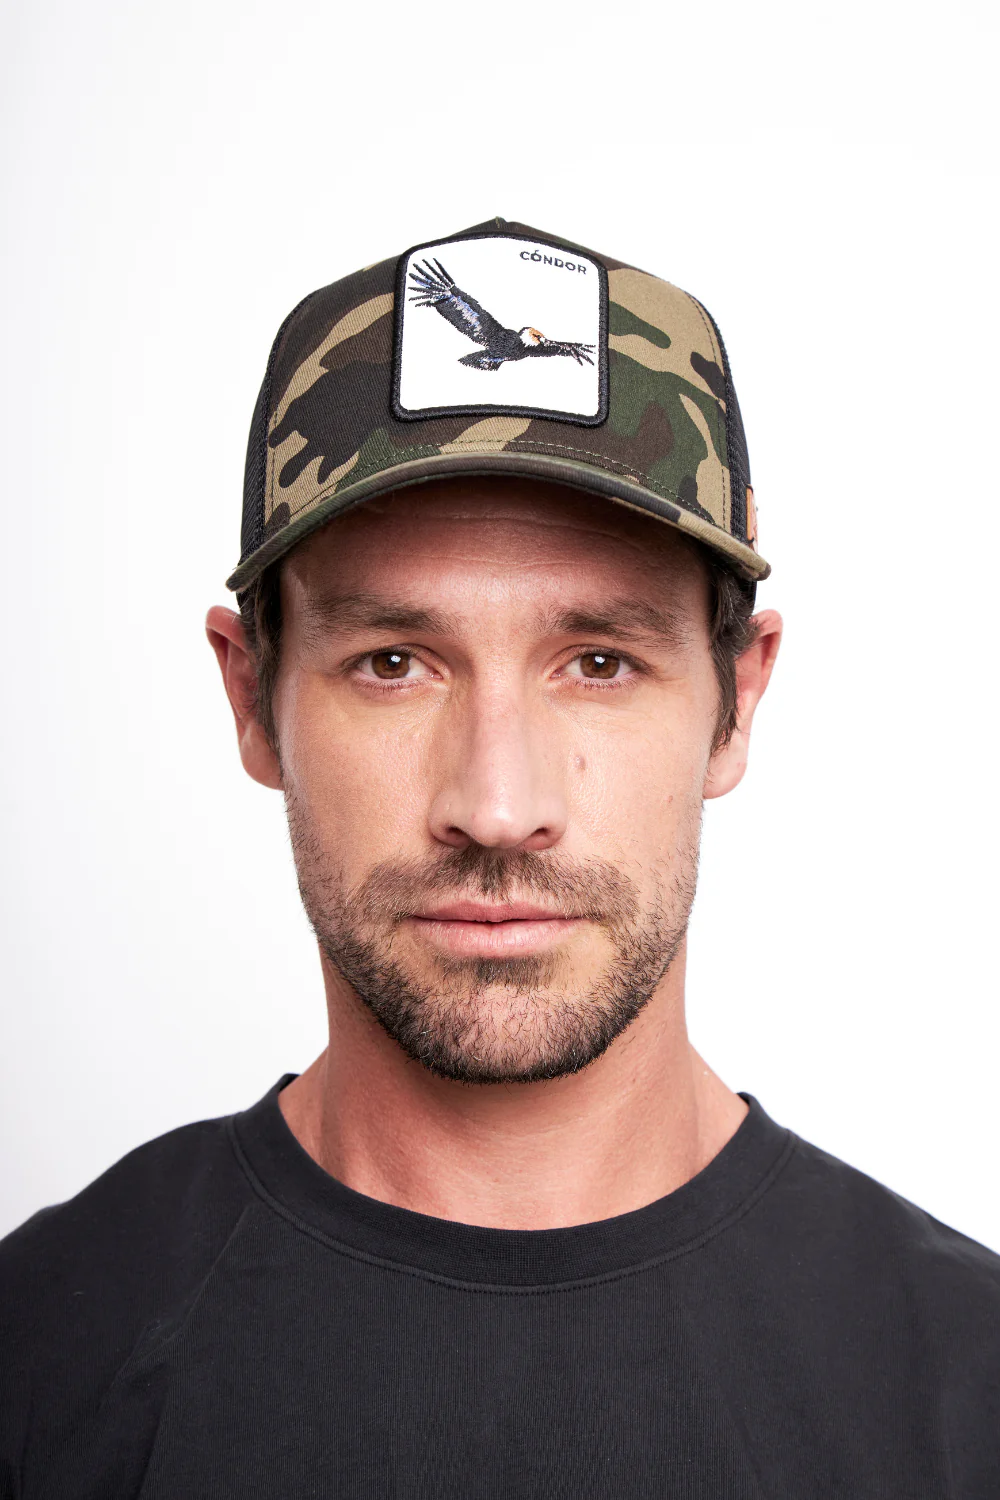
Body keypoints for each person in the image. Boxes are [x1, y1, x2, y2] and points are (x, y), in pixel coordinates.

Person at [1, 217, 997, 1498]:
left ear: (735, 703)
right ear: (252, 701)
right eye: (392, 663)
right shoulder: (39, 1361)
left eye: (599, 662)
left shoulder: (965, 1391)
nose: (497, 803)